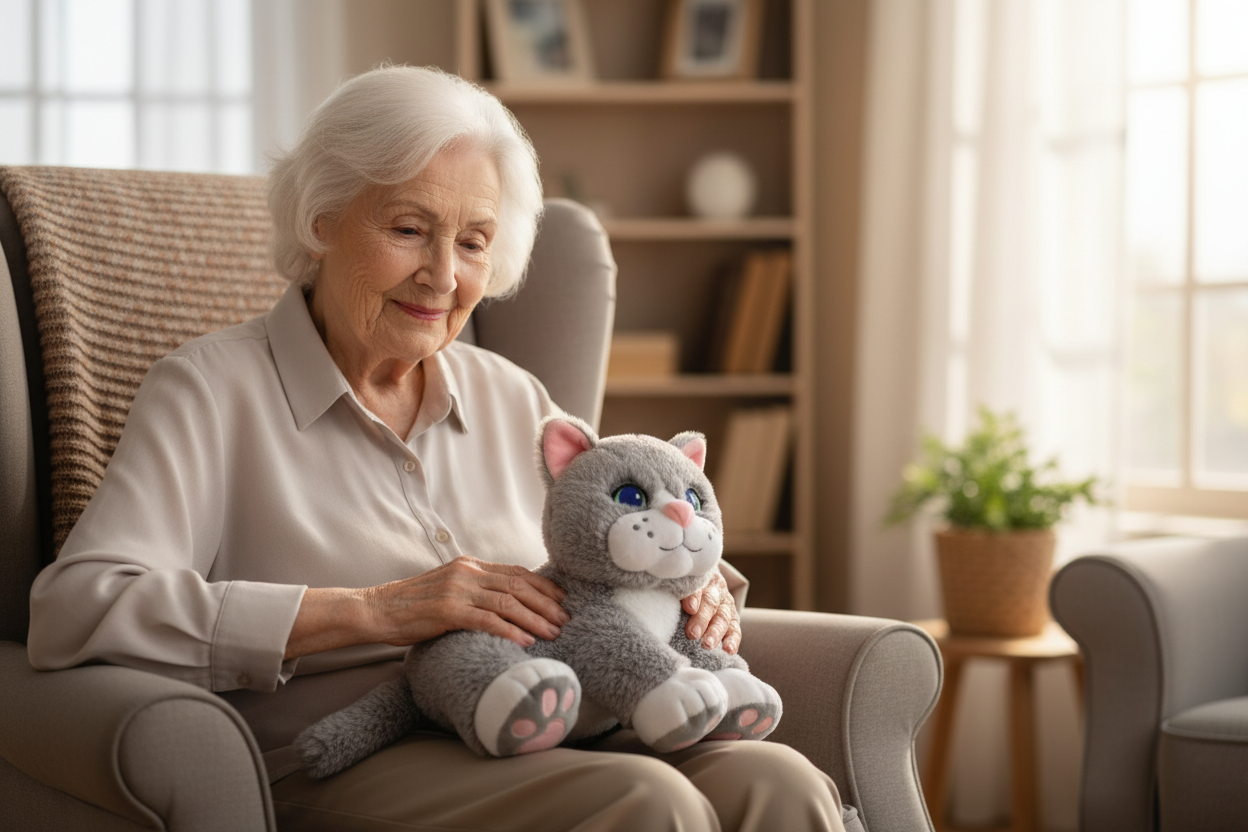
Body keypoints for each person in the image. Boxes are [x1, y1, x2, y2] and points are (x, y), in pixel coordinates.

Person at [27, 65, 847, 832]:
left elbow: (631, 528)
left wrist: (707, 595)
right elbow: (79, 607)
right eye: (410, 228)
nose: (443, 276)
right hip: (349, 752)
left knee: (781, 782)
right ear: (321, 220)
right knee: (643, 798)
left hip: (560, 720)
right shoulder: (210, 390)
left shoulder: (509, 392)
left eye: (474, 242)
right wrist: (371, 610)